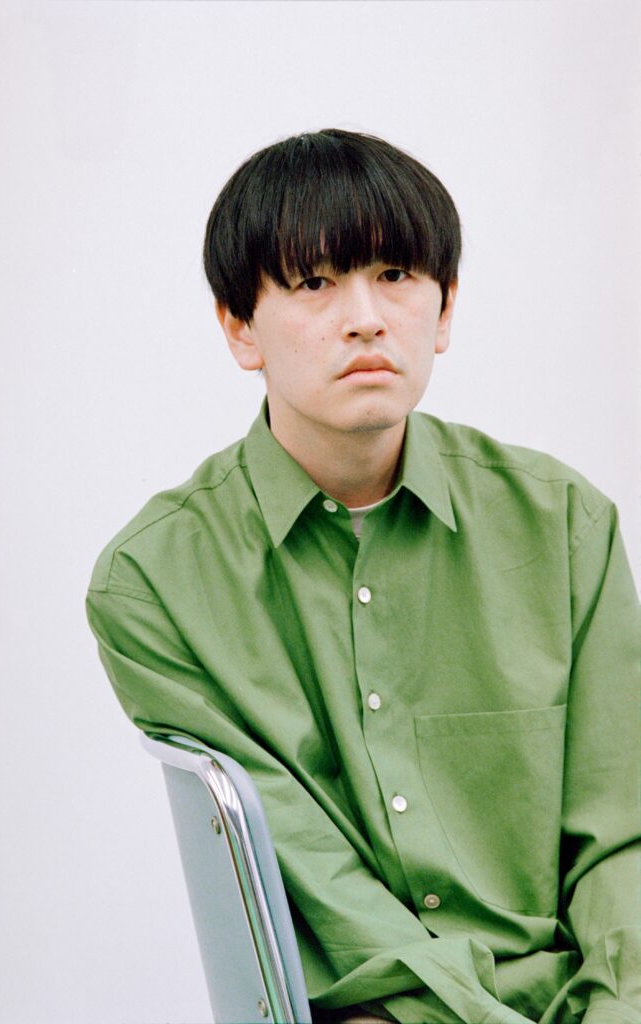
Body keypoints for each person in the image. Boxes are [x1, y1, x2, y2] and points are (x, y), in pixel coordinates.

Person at [85, 129, 640, 1024]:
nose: (366, 318)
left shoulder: (565, 526)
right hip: (369, 1007)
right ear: (239, 327)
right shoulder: (153, 585)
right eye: (314, 283)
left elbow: (622, 837)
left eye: (395, 275)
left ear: (444, 310)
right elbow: (317, 882)